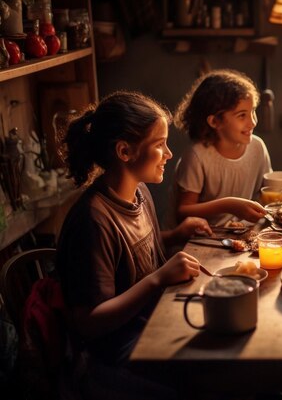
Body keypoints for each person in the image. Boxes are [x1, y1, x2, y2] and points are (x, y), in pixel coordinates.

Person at [57, 91, 211, 399]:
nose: (168, 154)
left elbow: (132, 255)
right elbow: (89, 322)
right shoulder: (93, 220)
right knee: (215, 381)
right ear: (125, 151)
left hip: (151, 325)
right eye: (159, 145)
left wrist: (175, 235)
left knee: (226, 355)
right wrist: (159, 279)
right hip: (113, 356)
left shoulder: (139, 193)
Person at [172, 69, 271, 227]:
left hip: (241, 234)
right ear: (214, 122)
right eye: (242, 115)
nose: (252, 122)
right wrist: (229, 205)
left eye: (253, 112)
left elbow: (266, 192)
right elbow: (182, 212)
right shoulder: (197, 155)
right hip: (199, 238)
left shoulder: (257, 147)